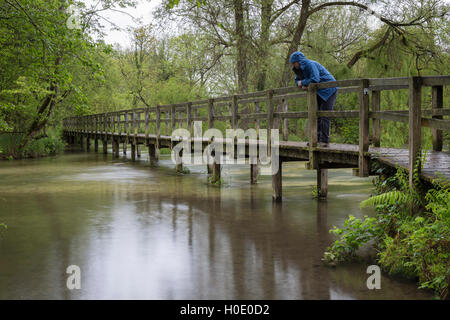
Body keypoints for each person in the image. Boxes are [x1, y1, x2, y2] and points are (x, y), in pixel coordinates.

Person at [289, 51, 338, 147]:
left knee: (325, 115)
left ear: (299, 61)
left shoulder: (310, 64)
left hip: (329, 89)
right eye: (292, 63)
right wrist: (302, 83)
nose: (294, 65)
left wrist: (303, 83)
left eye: (295, 63)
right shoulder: (299, 69)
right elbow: (296, 80)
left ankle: (324, 141)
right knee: (316, 115)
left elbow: (315, 79)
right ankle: (316, 140)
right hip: (319, 91)